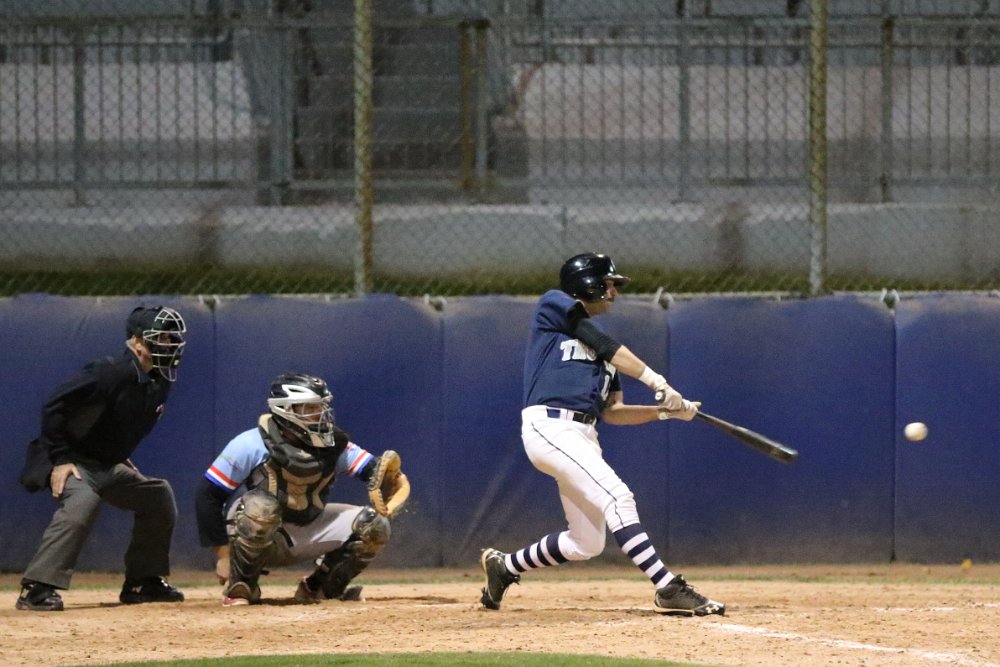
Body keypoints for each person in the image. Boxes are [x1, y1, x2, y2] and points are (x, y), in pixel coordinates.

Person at [479, 252, 725, 617]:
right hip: (550, 427)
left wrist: (665, 412)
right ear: (587, 283)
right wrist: (657, 381)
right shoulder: (554, 305)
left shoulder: (606, 359)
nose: (613, 292)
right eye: (609, 284)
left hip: (583, 435)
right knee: (618, 497)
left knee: (586, 543)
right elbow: (600, 340)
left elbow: (613, 412)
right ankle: (667, 587)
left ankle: (505, 566)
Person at [16, 306, 188, 612]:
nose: (169, 344)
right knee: (84, 501)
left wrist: (120, 456)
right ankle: (36, 589)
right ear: (137, 342)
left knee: (158, 495)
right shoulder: (110, 372)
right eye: (160, 337)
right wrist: (61, 458)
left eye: (170, 338)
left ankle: (142, 581)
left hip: (107, 463)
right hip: (72, 460)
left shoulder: (160, 380)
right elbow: (54, 406)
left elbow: (119, 422)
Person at [195, 372, 410, 606]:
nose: (320, 413)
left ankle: (320, 588)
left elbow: (375, 471)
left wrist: (395, 481)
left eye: (321, 406)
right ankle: (242, 585)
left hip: (304, 527)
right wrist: (223, 555)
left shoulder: (333, 443)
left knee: (375, 525)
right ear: (285, 410)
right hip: (254, 530)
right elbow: (208, 496)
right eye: (310, 408)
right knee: (261, 507)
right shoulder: (249, 443)